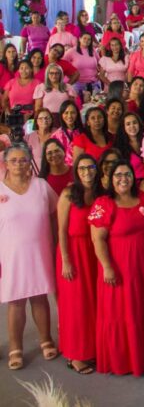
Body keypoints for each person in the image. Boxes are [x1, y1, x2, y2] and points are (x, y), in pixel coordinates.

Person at [89, 160, 144, 375]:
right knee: (120, 313)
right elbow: (98, 240)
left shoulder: (142, 198)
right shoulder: (104, 203)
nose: (123, 179)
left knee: (142, 308)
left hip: (143, 266)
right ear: (111, 180)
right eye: (118, 175)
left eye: (127, 174)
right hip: (118, 267)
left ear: (134, 178)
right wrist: (107, 267)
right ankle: (122, 360)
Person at [0, 143, 60, 370]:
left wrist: (56, 242)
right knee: (15, 301)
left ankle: (46, 340)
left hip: (40, 250)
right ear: (5, 164)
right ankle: (16, 347)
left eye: (23, 160)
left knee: (39, 296)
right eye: (13, 160)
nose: (18, 164)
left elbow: (55, 215)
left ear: (29, 163)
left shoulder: (41, 186)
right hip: (10, 254)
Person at [56, 154, 100, 374]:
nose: (86, 172)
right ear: (76, 170)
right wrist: (66, 259)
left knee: (93, 302)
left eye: (90, 167)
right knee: (76, 305)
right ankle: (74, 354)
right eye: (82, 168)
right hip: (74, 252)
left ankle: (91, 348)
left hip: (94, 252)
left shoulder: (100, 191)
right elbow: (61, 230)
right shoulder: (68, 193)